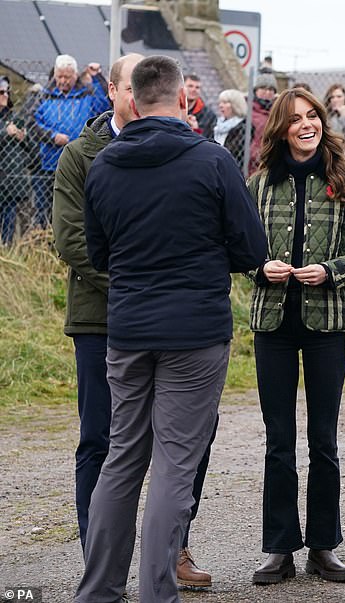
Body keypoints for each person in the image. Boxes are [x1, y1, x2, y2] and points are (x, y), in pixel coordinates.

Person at [73, 55, 267, 602]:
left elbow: (98, 252)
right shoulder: (211, 161)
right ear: (184, 100)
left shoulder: (104, 165)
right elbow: (252, 248)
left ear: (131, 100)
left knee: (121, 459)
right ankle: (158, 592)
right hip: (195, 332)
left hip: (129, 328)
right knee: (175, 465)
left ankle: (99, 591)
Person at [53, 52, 219, 588]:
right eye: (127, 86)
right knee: (105, 444)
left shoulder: (192, 152)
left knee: (180, 448)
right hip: (105, 321)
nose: (135, 95)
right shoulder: (84, 156)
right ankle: (101, 566)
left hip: (153, 317)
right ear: (117, 92)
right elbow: (76, 242)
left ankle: (171, 554)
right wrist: (137, 283)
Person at [248, 87, 345, 585]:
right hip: (273, 326)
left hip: (329, 326)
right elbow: (240, 250)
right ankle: (279, 548)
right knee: (278, 440)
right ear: (280, 128)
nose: (307, 125)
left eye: (314, 116)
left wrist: (329, 270)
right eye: (296, 119)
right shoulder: (258, 185)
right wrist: (262, 269)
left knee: (323, 439)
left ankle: (324, 546)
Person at [31, 54, 109, 229]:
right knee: (45, 209)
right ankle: (44, 238)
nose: (63, 81)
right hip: (48, 165)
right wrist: (52, 136)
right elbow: (33, 122)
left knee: (76, 209)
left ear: (75, 76)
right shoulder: (44, 96)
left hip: (79, 164)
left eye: (67, 77)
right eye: (59, 76)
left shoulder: (87, 96)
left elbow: (106, 105)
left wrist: (97, 77)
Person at [0, 76, 31, 244]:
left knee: (9, 228)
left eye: (7, 91)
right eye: (1, 92)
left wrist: (23, 137)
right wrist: (6, 133)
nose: (5, 95)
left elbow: (31, 147)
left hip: (12, 182)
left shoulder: (15, 119)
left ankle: (7, 254)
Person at [249, 71, 277, 175]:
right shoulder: (247, 110)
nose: (267, 92)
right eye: (263, 88)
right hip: (251, 163)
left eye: (271, 89)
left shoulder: (279, 111)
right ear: (256, 91)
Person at [214, 88, 248, 165]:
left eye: (225, 102)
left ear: (235, 105)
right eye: (220, 102)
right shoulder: (216, 124)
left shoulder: (244, 128)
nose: (220, 105)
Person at [184, 73, 216, 140]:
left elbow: (208, 141)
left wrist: (196, 130)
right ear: (182, 87)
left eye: (197, 87)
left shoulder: (209, 115)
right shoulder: (172, 109)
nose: (194, 90)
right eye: (190, 86)